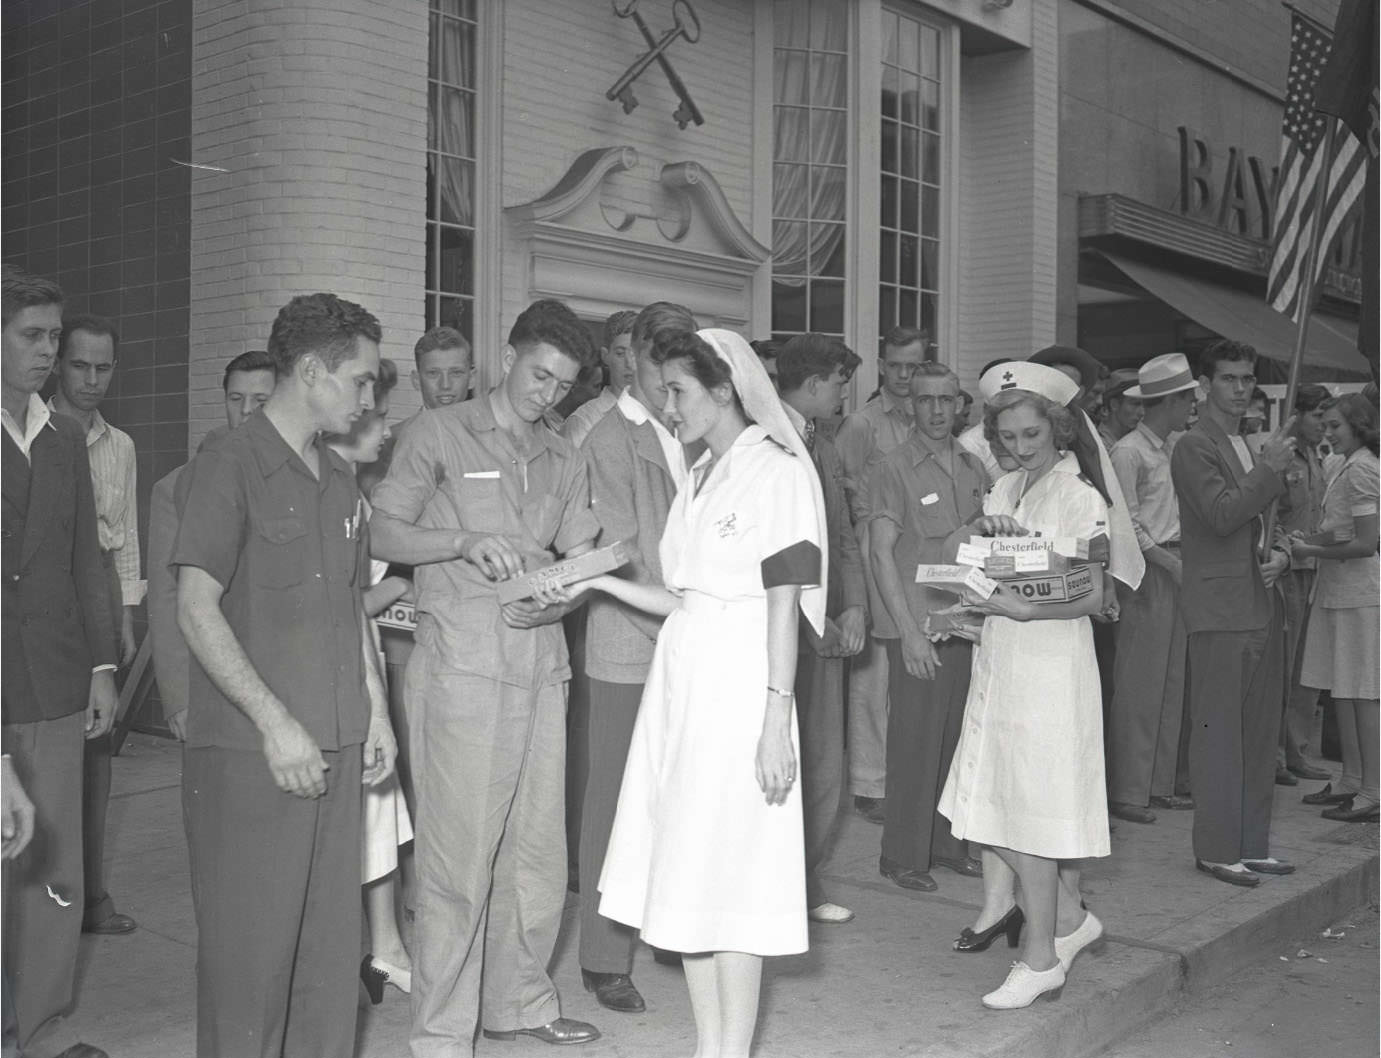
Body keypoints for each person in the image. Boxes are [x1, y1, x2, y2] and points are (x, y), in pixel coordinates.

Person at [586, 328, 827, 1058]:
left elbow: (784, 603)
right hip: (682, 689)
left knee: (737, 880)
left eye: (679, 390)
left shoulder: (777, 472)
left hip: (743, 687)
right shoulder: (697, 475)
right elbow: (681, 598)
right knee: (684, 871)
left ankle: (732, 1051)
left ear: (724, 389)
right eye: (661, 391)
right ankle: (708, 1048)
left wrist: (773, 720)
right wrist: (593, 582)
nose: (669, 404)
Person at [370, 299, 603, 1055]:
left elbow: (578, 550)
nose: (548, 395)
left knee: (537, 857)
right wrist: (464, 539)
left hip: (541, 670)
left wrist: (570, 589)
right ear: (509, 356)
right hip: (462, 672)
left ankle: (518, 1002)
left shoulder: (565, 453)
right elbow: (381, 529)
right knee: (457, 862)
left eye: (563, 385)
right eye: (539, 376)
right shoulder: (435, 433)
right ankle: (439, 1034)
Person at [174, 293, 396, 1057]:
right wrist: (275, 724)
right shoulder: (227, 463)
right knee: (250, 968)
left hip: (336, 749)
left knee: (329, 965)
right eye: (361, 380)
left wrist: (376, 715)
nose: (369, 398)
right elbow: (195, 607)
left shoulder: (339, 482)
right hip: (252, 760)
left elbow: (350, 608)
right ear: (311, 371)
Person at [937, 363, 1111, 1009]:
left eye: (1031, 433)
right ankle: (1068, 918)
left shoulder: (1079, 498)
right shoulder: (1003, 489)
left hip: (1049, 671)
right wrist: (962, 602)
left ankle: (1041, 957)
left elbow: (1096, 593)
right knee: (983, 806)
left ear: (1058, 426)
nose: (1018, 447)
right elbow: (985, 578)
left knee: (1026, 816)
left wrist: (1029, 609)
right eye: (1006, 436)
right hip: (998, 660)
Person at [2, 265, 116, 1058]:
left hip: (58, 675)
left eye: (53, 336)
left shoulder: (67, 436)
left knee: (53, 860)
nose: (47, 351)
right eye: (31, 336)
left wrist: (103, 667)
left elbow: (87, 562)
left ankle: (35, 1027)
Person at [575, 301, 695, 1014]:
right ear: (635, 358)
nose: (671, 384)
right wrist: (690, 620)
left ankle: (666, 923)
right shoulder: (605, 436)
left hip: (687, 645)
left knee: (677, 799)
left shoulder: (690, 428)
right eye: (662, 368)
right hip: (630, 645)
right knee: (613, 806)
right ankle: (601, 954)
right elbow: (617, 554)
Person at [1170, 339, 1295, 888]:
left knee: (1259, 733)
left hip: (1259, 602)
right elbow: (1222, 515)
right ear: (1204, 385)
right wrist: (1267, 471)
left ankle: (1250, 843)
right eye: (1229, 379)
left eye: (1248, 379)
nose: (1241, 389)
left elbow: (1269, 523)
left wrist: (1284, 555)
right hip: (1219, 608)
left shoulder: (1247, 445)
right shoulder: (1194, 446)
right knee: (1219, 733)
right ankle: (1217, 848)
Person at [868, 362, 987, 893]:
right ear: (909, 405)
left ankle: (945, 844)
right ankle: (901, 854)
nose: (937, 411)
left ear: (960, 404)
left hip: (963, 624)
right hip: (917, 623)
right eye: (925, 400)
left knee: (957, 739)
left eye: (947, 400)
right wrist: (909, 633)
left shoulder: (972, 465)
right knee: (915, 742)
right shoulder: (892, 467)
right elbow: (879, 554)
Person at [48, 313, 146, 938]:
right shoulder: (33, 432)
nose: (90, 379)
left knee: (94, 759)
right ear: (59, 363)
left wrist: (128, 613)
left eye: (102, 367)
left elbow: (127, 534)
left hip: (103, 598)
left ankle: (89, 899)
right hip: (45, 600)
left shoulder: (122, 445)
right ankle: (45, 905)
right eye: (79, 365)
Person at [325, 360, 416, 1003]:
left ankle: (384, 949)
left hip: (369, 667)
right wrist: (406, 580)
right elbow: (342, 602)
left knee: (381, 814)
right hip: (338, 673)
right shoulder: (331, 492)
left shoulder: (361, 494)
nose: (386, 428)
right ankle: (364, 950)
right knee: (357, 816)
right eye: (378, 416)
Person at [776, 333, 867, 923]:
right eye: (839, 384)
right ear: (813, 384)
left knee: (825, 763)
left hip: (830, 624)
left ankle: (804, 883)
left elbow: (842, 534)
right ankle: (782, 890)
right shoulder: (769, 443)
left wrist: (855, 605)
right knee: (789, 760)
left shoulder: (823, 445)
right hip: (791, 629)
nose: (842, 396)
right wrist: (813, 625)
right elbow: (781, 553)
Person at [148, 350, 278, 744]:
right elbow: (167, 596)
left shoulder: (302, 479)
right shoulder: (177, 487)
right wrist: (178, 696)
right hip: (213, 681)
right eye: (236, 399)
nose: (247, 412)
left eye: (261, 401)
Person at [835, 324, 925, 824]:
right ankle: (870, 781)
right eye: (896, 366)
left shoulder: (930, 416)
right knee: (874, 671)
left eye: (914, 365)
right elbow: (844, 490)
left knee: (909, 660)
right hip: (875, 541)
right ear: (882, 365)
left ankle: (905, 774)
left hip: (917, 545)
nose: (906, 375)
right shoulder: (863, 424)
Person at [1106, 354, 1198, 825]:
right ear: (1168, 401)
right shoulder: (1129, 452)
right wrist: (1167, 562)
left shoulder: (1173, 446)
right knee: (1141, 682)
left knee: (1171, 680)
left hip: (1175, 564)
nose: (1192, 406)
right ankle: (1128, 790)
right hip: (1147, 571)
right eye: (1187, 398)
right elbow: (1125, 521)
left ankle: (1157, 784)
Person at [1293, 394, 1380, 823]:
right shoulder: (1345, 464)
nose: (1327, 434)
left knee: (1363, 692)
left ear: (1359, 426)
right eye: (1325, 426)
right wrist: (1311, 539)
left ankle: (1374, 789)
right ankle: (1352, 778)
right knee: (1342, 689)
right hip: (1339, 591)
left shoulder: (1363, 468)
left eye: (1335, 427)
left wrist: (1310, 549)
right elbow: (1338, 530)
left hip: (1361, 594)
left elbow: (1365, 543)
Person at [1273, 384, 1333, 784]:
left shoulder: (1319, 457)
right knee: (1282, 663)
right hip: (1288, 569)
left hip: (1315, 568)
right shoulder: (1281, 455)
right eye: (1317, 417)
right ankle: (1276, 755)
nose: (1323, 427)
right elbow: (1269, 513)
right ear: (1298, 414)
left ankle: (1296, 750)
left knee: (1305, 667)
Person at [563, 310, 638, 448]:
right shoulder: (584, 422)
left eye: (635, 353)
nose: (629, 363)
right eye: (620, 353)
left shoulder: (658, 418)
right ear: (605, 356)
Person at [1098, 369, 1143, 451]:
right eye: (1135, 404)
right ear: (1114, 404)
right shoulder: (1096, 445)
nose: (1142, 412)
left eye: (1145, 405)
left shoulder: (1138, 441)